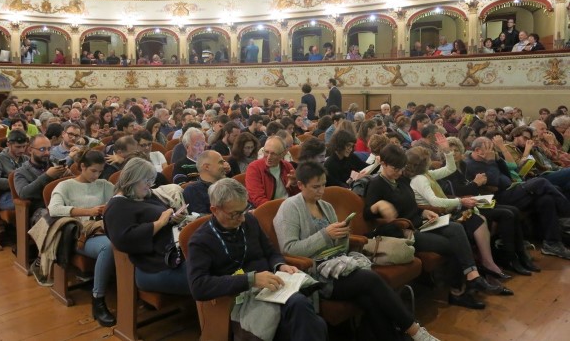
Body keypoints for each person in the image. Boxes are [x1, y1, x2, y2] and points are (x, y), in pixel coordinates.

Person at [274, 162, 439, 341]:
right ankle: (414, 330)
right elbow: (289, 249)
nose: (321, 190)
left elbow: (340, 248)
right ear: (300, 185)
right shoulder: (290, 208)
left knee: (368, 298)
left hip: (340, 265)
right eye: (315, 187)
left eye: (323, 185)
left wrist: (343, 235)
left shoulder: (326, 206)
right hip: (316, 275)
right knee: (371, 280)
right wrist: (325, 235)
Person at [187, 178, 328, 341]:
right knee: (311, 322)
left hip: (271, 287)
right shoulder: (201, 241)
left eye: (244, 210)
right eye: (235, 214)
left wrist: (280, 265)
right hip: (240, 296)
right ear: (214, 210)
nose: (242, 219)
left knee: (303, 310)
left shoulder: (250, 221)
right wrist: (250, 280)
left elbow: (271, 252)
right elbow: (198, 287)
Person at [363, 144, 500, 309]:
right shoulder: (377, 184)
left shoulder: (401, 179)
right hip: (402, 232)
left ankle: (472, 275)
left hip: (418, 223)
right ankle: (458, 291)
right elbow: (367, 215)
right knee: (451, 244)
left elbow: (411, 205)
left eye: (401, 168)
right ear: (382, 163)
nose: (399, 172)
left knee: (456, 229)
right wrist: (378, 205)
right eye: (395, 168)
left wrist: (424, 212)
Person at [404, 137, 514, 287]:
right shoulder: (419, 179)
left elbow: (450, 169)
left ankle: (487, 264)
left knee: (479, 219)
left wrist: (447, 152)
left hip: (441, 213)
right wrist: (460, 201)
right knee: (476, 220)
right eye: (428, 158)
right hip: (433, 217)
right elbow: (435, 202)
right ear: (423, 162)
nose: (431, 161)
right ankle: (484, 267)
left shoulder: (425, 174)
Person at [464, 136, 570, 260]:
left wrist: (498, 160)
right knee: (540, 182)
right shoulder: (471, 164)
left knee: (546, 199)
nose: (492, 150)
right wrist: (491, 161)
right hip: (498, 198)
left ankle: (552, 243)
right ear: (477, 150)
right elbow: (495, 181)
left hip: (511, 190)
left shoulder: (489, 159)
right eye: (489, 148)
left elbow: (508, 174)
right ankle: (567, 213)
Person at [445, 137, 538, 275]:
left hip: (478, 200)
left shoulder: (462, 166)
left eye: (456, 150)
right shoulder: (448, 170)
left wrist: (495, 159)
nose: (454, 154)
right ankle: (510, 258)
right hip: (464, 206)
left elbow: (506, 174)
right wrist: (476, 183)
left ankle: (521, 255)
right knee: (507, 214)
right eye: (450, 151)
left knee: (514, 210)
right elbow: (458, 191)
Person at [104, 158, 190, 296]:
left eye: (151, 181)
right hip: (156, 265)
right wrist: (160, 223)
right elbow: (124, 239)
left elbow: (160, 218)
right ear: (133, 179)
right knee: (206, 275)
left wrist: (171, 219)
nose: (150, 185)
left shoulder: (145, 196)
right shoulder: (117, 207)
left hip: (173, 252)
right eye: (146, 181)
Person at [48, 150, 116, 326]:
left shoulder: (104, 184)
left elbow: (120, 199)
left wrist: (109, 207)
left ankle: (128, 290)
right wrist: (88, 211)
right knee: (108, 247)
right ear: (82, 167)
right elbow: (53, 209)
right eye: (93, 171)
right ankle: (98, 299)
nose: (97, 175)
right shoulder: (65, 186)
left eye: (100, 171)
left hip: (101, 229)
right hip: (79, 234)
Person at [14, 134, 68, 216]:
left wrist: (68, 175)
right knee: (61, 221)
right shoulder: (21, 172)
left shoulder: (54, 164)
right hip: (39, 210)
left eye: (49, 149)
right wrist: (47, 176)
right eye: (42, 149)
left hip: (60, 204)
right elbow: (23, 194)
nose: (47, 153)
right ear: (30, 150)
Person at [245, 136, 298, 207]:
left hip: (288, 205)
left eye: (274, 154)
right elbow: (258, 199)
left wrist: (295, 184)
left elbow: (298, 195)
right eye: (266, 152)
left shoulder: (287, 166)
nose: (269, 157)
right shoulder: (254, 168)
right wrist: (280, 209)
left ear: (283, 154)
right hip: (269, 209)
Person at [0, 130, 29, 210]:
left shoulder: (26, 159)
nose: (22, 150)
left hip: (25, 191)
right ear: (8, 145)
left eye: (24, 146)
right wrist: (18, 182)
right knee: (29, 203)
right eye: (18, 147)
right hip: (7, 195)